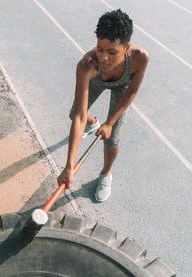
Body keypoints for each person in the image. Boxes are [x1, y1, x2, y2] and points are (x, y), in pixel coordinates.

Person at [57, 9, 149, 202]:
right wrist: (68, 167)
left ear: (127, 48)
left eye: (112, 52)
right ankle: (94, 124)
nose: (104, 58)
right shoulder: (87, 66)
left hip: (122, 86)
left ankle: (106, 174)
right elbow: (80, 116)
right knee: (75, 114)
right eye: (100, 49)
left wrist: (110, 122)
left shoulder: (140, 58)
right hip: (97, 80)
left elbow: (132, 91)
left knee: (111, 138)